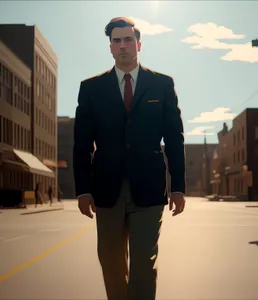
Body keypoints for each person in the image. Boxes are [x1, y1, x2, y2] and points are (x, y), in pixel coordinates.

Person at [73, 17, 186, 300]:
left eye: (127, 40)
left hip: (148, 189)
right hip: (106, 189)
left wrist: (178, 187)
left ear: (139, 44)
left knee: (143, 265)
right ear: (110, 47)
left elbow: (174, 139)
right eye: (116, 40)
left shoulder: (161, 85)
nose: (123, 45)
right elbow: (82, 144)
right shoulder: (91, 88)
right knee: (111, 263)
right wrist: (83, 189)